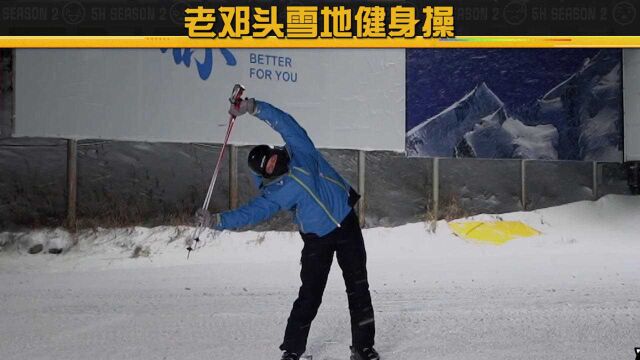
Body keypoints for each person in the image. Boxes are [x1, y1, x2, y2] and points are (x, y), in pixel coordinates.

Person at [195, 98, 379, 360]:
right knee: (309, 296)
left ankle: (363, 348)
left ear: (275, 152)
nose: (272, 164)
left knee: (358, 288)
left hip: (346, 223)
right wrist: (217, 221)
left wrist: (254, 108)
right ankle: (292, 350)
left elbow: (286, 123)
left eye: (271, 158)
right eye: (267, 167)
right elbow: (251, 212)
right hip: (317, 240)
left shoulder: (300, 150)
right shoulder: (276, 193)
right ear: (265, 175)